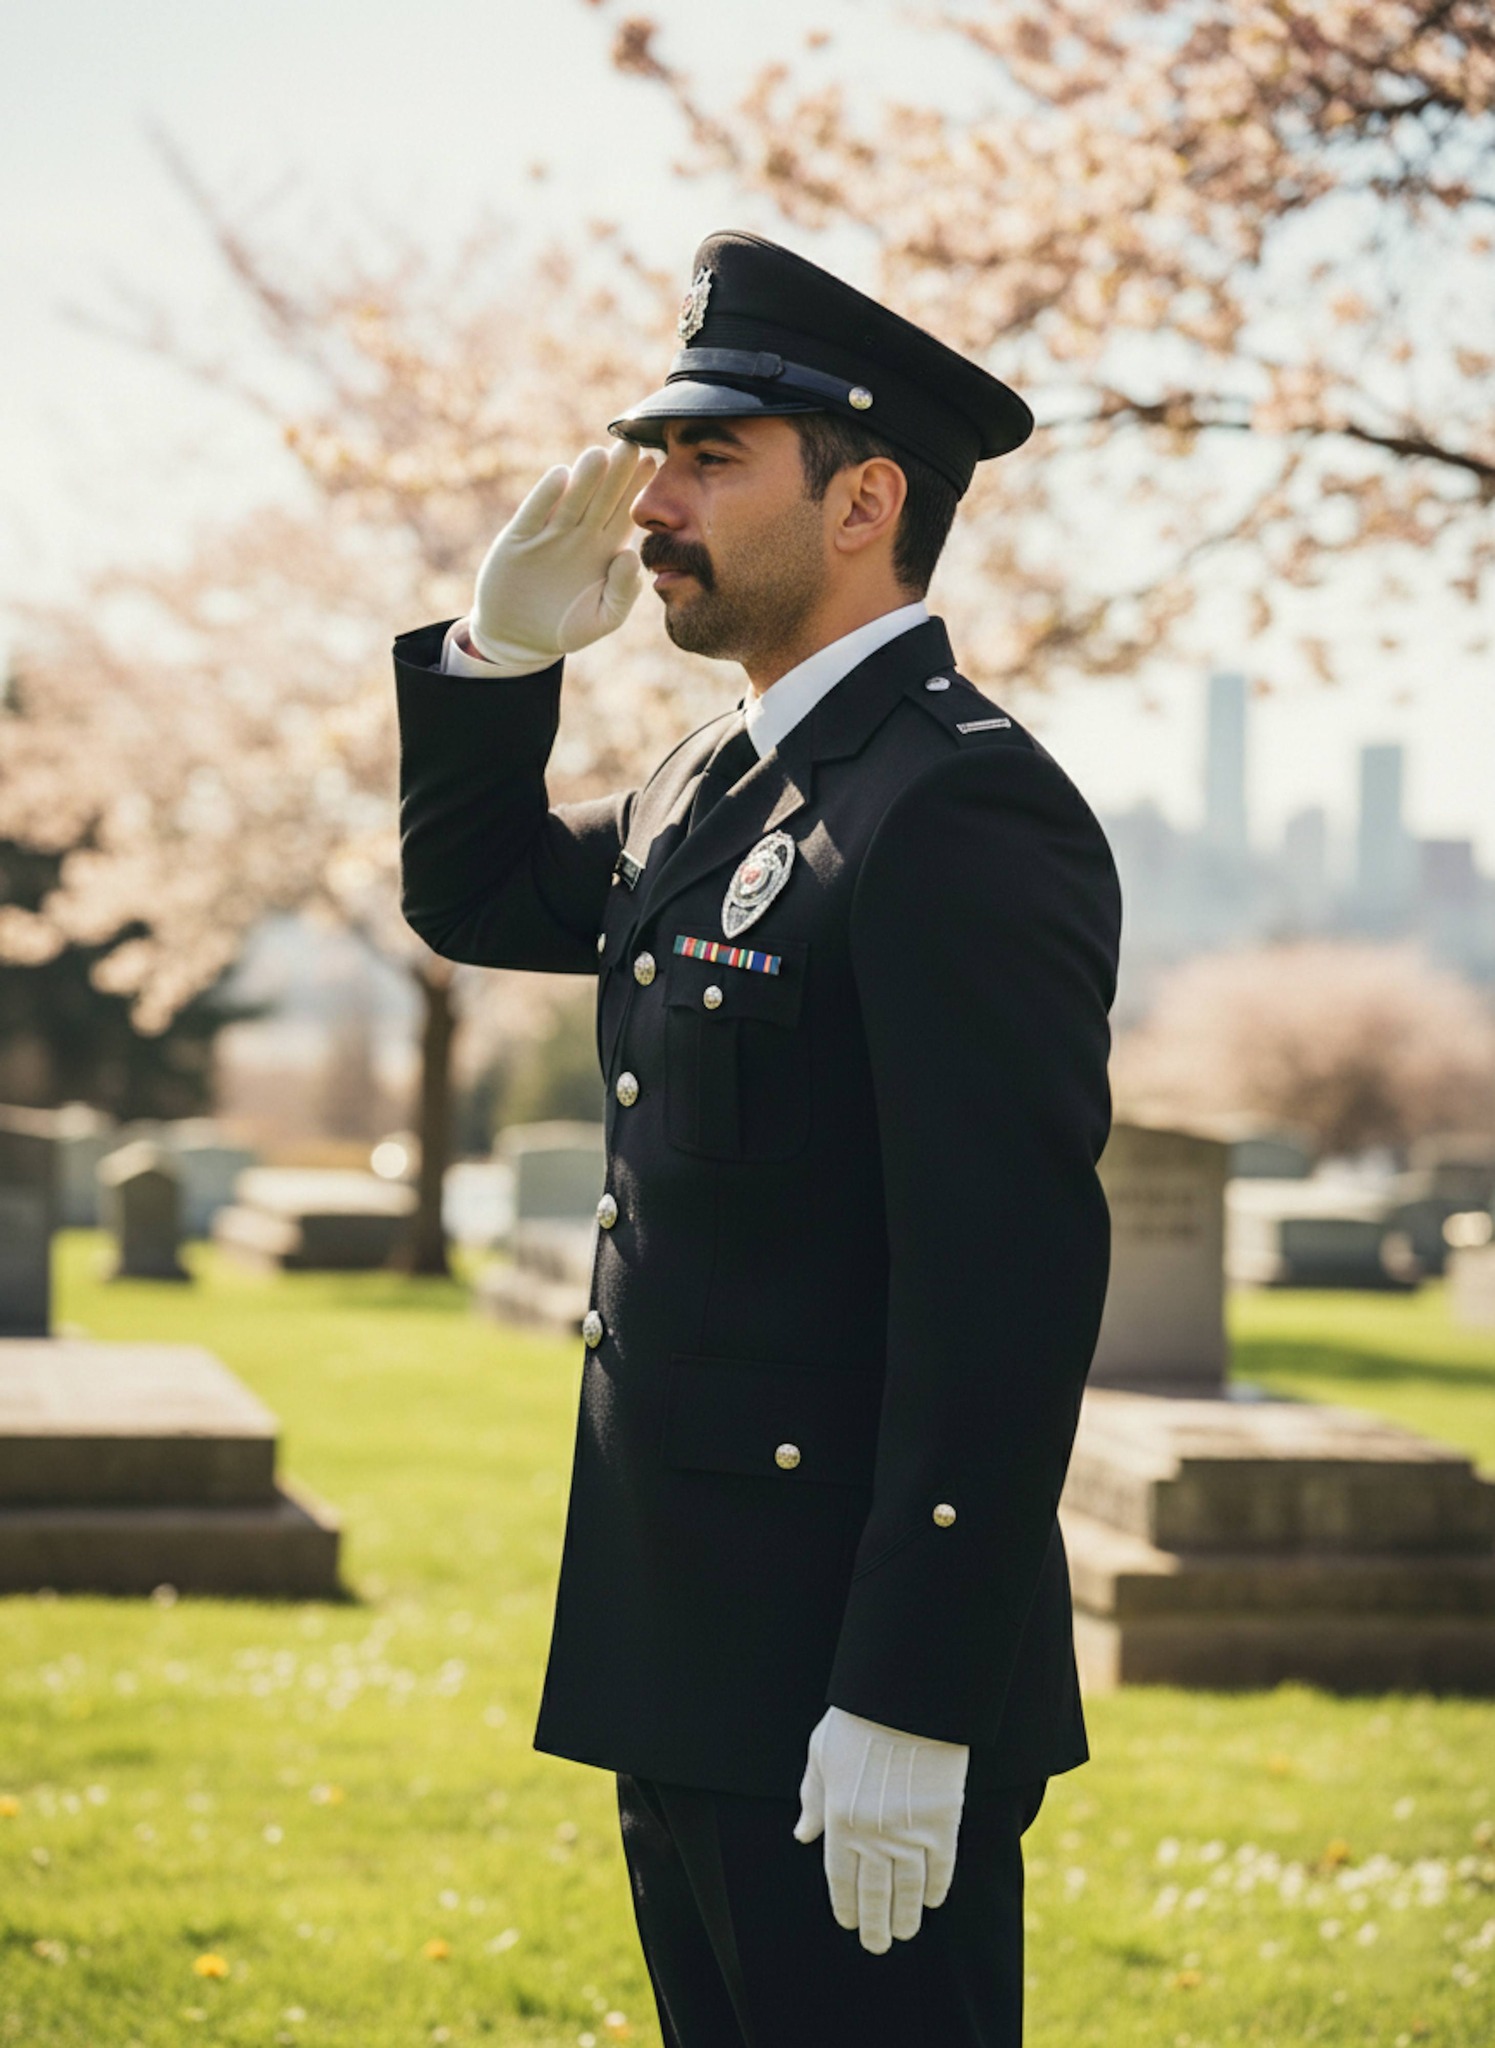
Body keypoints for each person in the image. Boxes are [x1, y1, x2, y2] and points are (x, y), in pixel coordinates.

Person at [394, 228, 1121, 2048]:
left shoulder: (957, 809)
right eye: (658, 453)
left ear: (866, 496)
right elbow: (477, 892)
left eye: (710, 459)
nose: (652, 503)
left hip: (842, 1685)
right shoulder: (710, 778)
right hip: (689, 1649)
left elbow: (1007, 1286)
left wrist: (914, 1698)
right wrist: (497, 655)